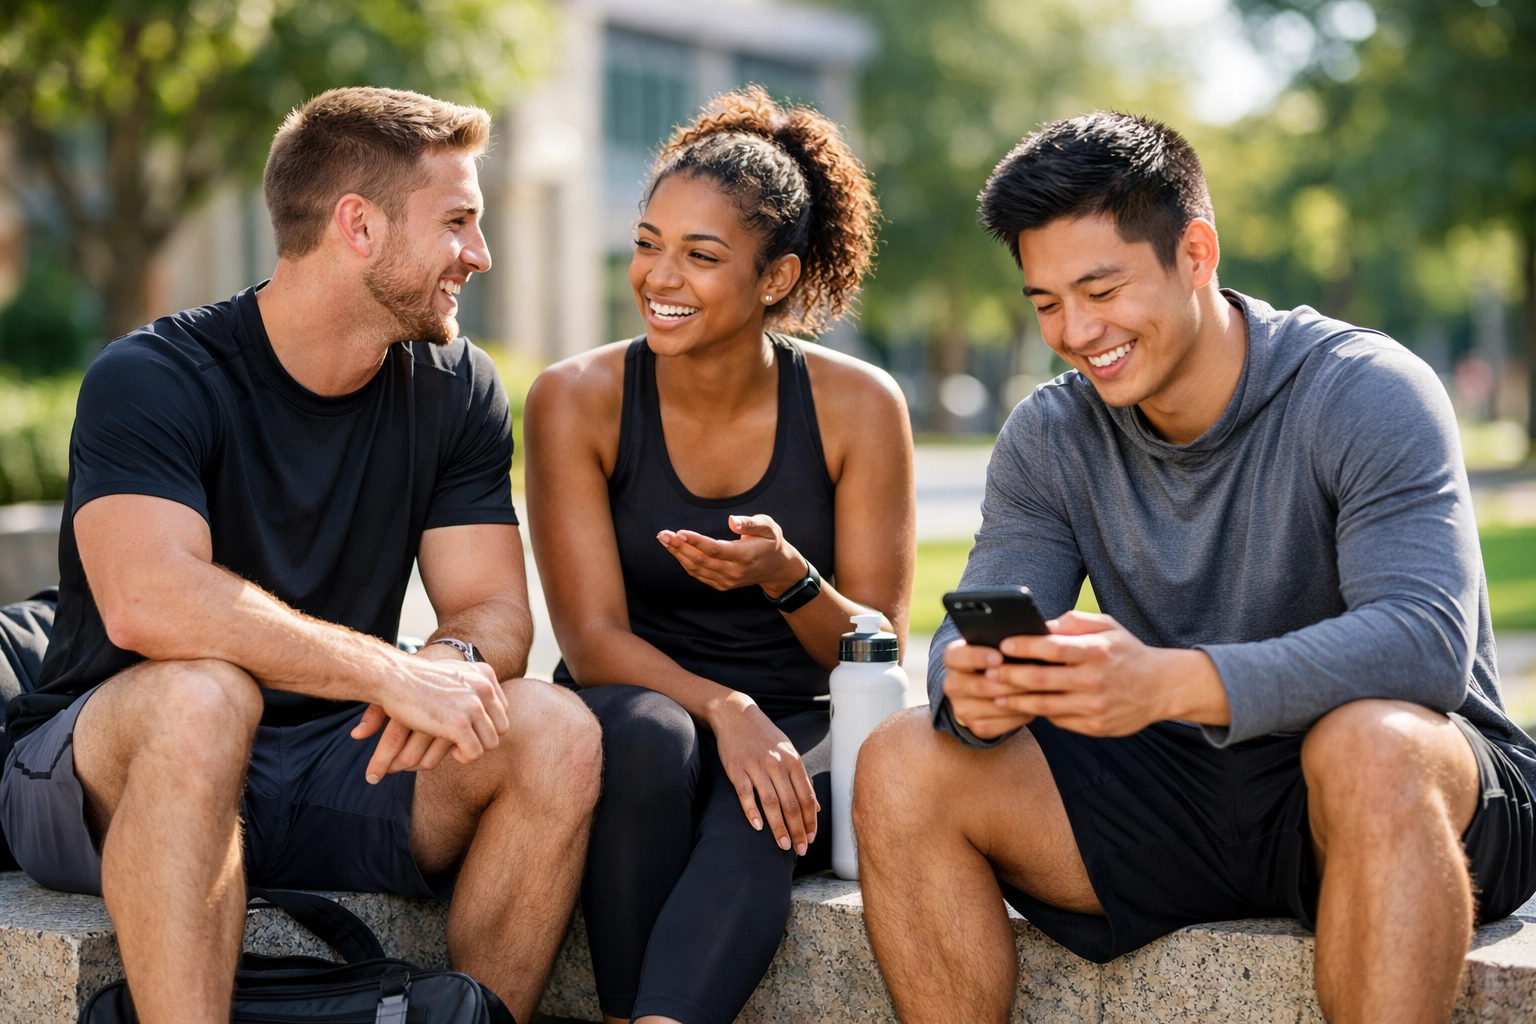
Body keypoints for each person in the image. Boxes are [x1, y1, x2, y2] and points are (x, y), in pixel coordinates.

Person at [853, 111, 1536, 1024]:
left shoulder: (1364, 387)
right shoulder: (1051, 435)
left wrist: (1172, 683)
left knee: (1369, 743)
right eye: (1046, 302)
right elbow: (972, 631)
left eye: (1101, 289)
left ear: (1196, 253)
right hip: (1194, 790)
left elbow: (1424, 646)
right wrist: (974, 691)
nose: (1077, 330)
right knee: (904, 757)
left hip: (1412, 785)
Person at [0, 87, 602, 1024]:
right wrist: (384, 671)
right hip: (115, 760)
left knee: (553, 732)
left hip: (331, 761)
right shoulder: (153, 377)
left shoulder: (455, 388)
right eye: (457, 223)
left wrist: (452, 662)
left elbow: (494, 611)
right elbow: (147, 603)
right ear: (357, 225)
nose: (478, 255)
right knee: (206, 696)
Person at [525, 86, 913, 1024]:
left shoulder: (860, 407)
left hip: (805, 716)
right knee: (650, 741)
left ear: (775, 278)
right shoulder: (575, 399)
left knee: (766, 798)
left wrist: (789, 579)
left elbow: (874, 646)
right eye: (648, 243)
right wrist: (725, 707)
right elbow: (589, 635)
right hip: (638, 703)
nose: (662, 276)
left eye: (702, 256)